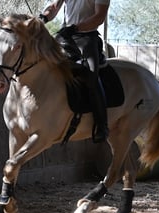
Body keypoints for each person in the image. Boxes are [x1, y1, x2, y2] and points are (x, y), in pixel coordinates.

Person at [39, 0, 110, 143]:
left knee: (91, 77)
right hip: (66, 37)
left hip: (87, 38)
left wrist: (75, 28)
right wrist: (43, 18)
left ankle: (102, 125)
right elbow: (54, 7)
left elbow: (99, 17)